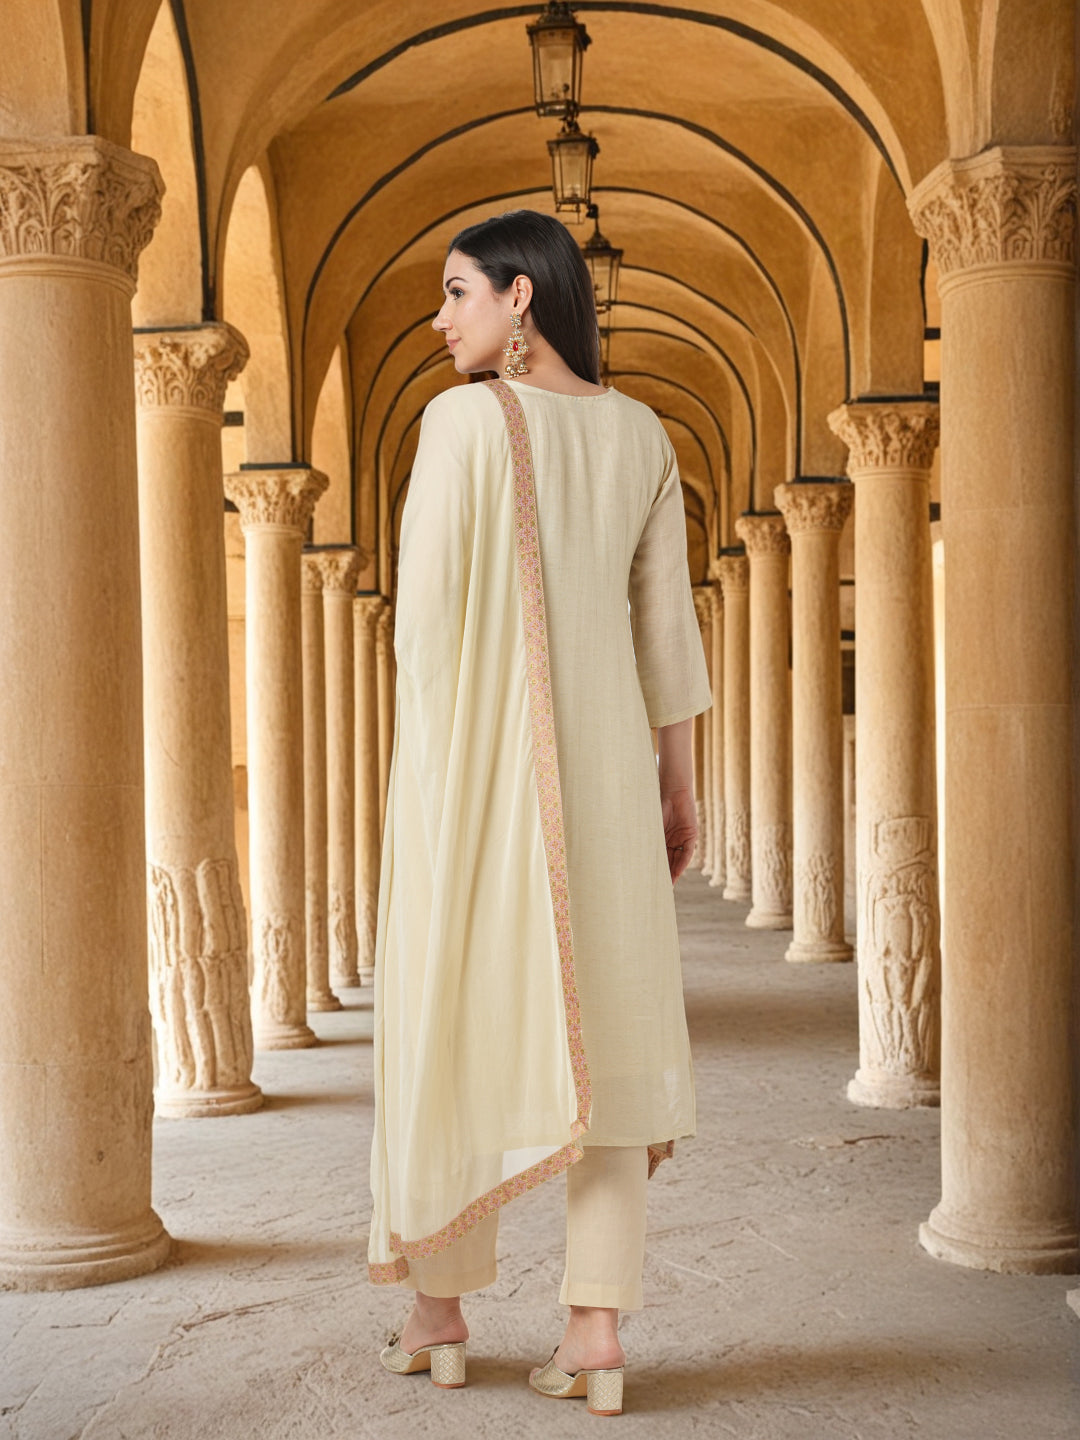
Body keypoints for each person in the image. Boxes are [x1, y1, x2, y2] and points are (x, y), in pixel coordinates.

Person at [368, 209, 711, 1416]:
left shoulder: (458, 423)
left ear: (521, 296)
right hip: (609, 782)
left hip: (476, 779)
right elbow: (667, 634)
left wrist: (428, 790)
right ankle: (595, 1333)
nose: (439, 318)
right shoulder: (642, 435)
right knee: (605, 1040)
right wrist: (677, 784)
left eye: (456, 291)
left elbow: (422, 634)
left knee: (449, 1016)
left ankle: (439, 1314)